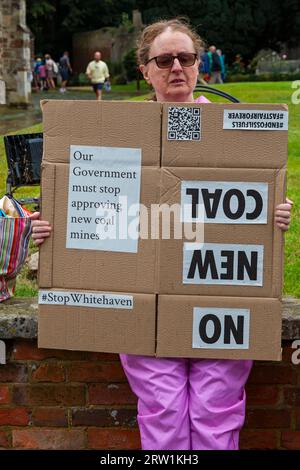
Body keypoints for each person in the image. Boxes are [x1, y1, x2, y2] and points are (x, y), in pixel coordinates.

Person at [30, 19, 293, 450]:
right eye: (164, 59)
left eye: (186, 58)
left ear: (198, 65)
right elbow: (87, 207)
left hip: (221, 300)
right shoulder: (116, 132)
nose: (176, 67)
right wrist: (53, 229)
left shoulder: (237, 131)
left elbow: (258, 194)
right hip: (142, 306)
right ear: (145, 69)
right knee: (163, 414)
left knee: (217, 413)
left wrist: (275, 212)